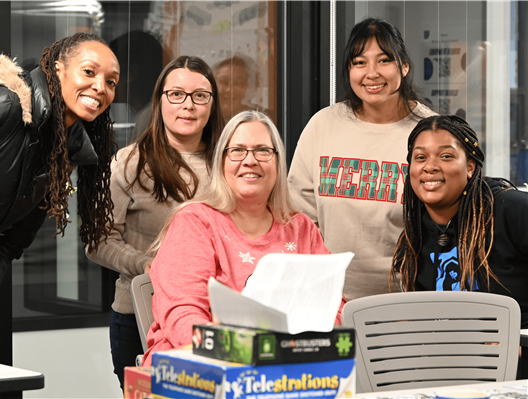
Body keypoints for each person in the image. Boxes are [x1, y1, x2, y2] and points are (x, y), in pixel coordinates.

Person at [0, 33, 119, 358]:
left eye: (111, 82)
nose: (101, 87)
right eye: (89, 72)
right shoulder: (3, 102)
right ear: (58, 68)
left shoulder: (61, 152)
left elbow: (12, 241)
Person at [141, 110, 345, 367]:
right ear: (221, 162)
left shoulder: (301, 228)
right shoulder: (195, 223)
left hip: (288, 365)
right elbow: (183, 316)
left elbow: (333, 303)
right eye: (237, 150)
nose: (250, 160)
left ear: (278, 162)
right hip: (202, 367)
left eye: (263, 151)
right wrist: (242, 351)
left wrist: (301, 348)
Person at [86, 55, 224, 389]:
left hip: (219, 320)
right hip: (139, 317)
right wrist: (146, 264)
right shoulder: (129, 163)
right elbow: (98, 241)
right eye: (176, 94)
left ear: (212, 104)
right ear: (160, 100)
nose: (187, 105)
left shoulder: (230, 163)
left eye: (199, 96)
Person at [287, 17, 436, 301]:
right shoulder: (323, 126)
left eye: (384, 61)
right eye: (359, 62)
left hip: (409, 304)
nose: (372, 73)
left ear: (404, 67)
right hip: (328, 302)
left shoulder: (432, 132)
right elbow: (299, 219)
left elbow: (450, 225)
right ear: (348, 70)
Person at [391, 114, 528, 328]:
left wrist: (518, 339)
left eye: (446, 156)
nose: (430, 166)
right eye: (420, 157)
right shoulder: (414, 235)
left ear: (470, 167)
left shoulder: (511, 209)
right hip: (451, 358)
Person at [214, 55, 255, 120]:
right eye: (224, 82)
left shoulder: (255, 119)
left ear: (247, 87)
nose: (230, 90)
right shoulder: (202, 117)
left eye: (238, 83)